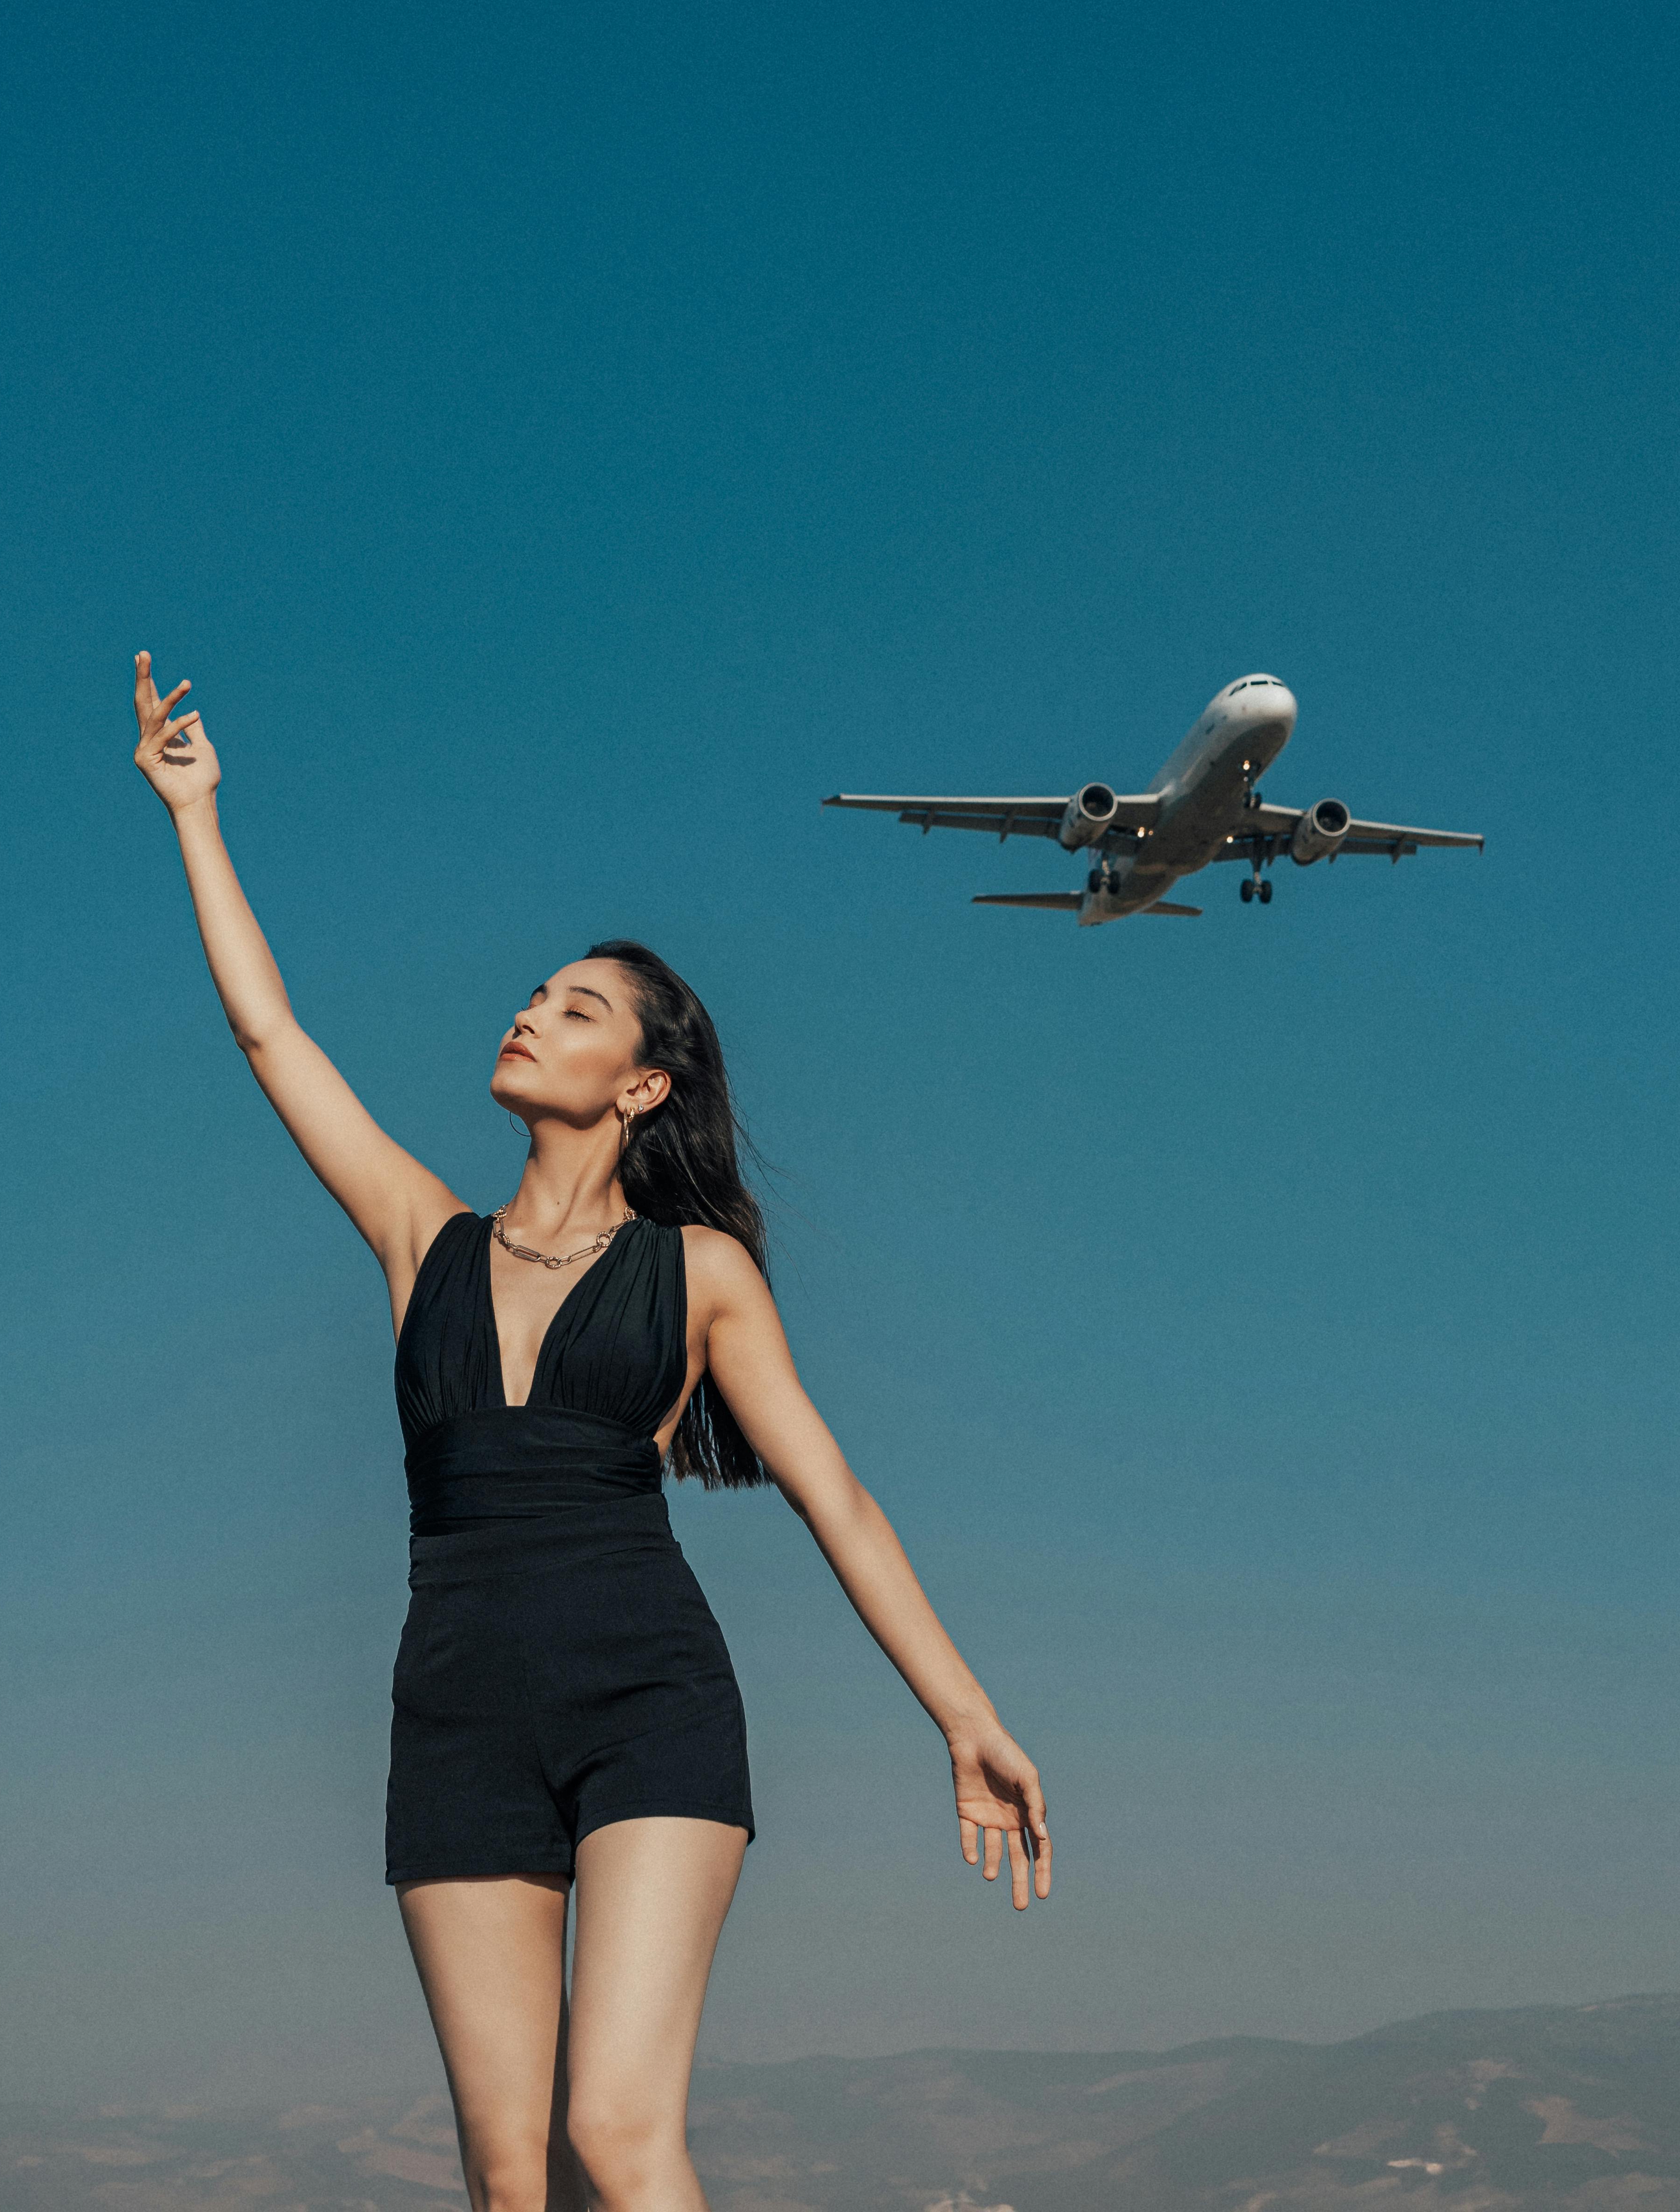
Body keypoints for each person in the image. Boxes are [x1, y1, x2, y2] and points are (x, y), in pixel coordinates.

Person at [130, 653, 1049, 2212]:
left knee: (620, 2140)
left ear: (640, 1084)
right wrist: (196, 815)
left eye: (572, 1010)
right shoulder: (421, 1234)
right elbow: (271, 1036)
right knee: (512, 2180)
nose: (527, 1014)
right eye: (531, 996)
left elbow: (839, 1498)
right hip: (458, 1713)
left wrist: (961, 1718)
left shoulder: (700, 1275)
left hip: (650, 1701)